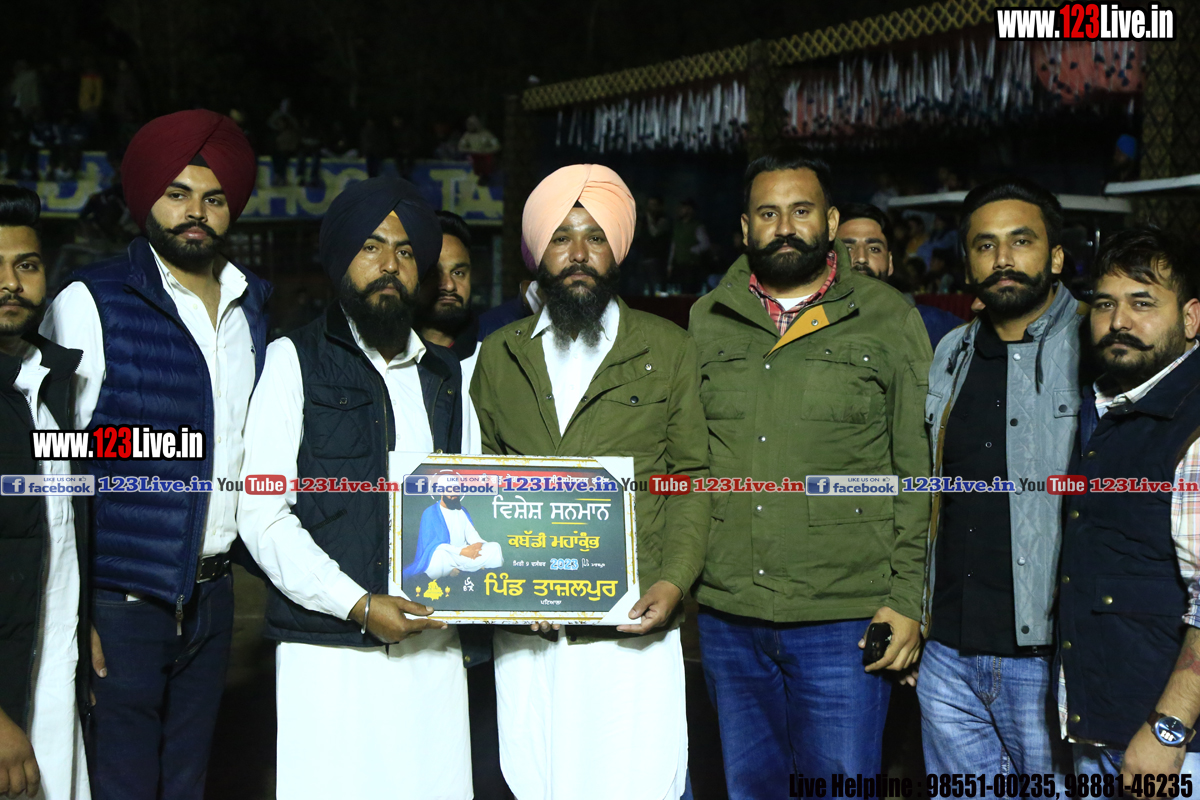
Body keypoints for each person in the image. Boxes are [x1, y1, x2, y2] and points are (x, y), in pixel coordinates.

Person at [688, 150, 932, 797]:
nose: (785, 227)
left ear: (830, 221)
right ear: (745, 228)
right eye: (768, 213)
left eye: (801, 211)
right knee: (750, 789)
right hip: (730, 616)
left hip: (845, 619)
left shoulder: (888, 317)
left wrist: (909, 599)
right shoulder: (706, 319)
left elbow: (919, 471)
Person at [39, 109, 267, 800]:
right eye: (178, 193)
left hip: (215, 596)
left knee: (188, 783)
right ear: (147, 199)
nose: (196, 212)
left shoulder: (252, 306)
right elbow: (53, 459)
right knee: (123, 783)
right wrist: (75, 609)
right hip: (121, 602)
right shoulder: (91, 301)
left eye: (214, 198)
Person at [471, 163, 709, 799]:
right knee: (538, 776)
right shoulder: (500, 354)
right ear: (538, 253)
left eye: (595, 237)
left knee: (637, 775)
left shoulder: (668, 349)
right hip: (530, 626)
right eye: (561, 237)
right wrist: (505, 593)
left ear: (618, 250)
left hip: (631, 621)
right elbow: (480, 479)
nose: (578, 253)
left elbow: (690, 477)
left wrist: (674, 581)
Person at [236, 176, 474, 800]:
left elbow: (472, 501)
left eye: (405, 250)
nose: (389, 264)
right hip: (328, 651)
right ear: (341, 259)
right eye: (371, 247)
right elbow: (262, 514)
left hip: (431, 648)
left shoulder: (447, 377)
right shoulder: (292, 361)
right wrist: (358, 604)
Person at [920, 178, 1081, 781]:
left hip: (1047, 661)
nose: (1003, 259)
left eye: (1021, 241)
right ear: (967, 262)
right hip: (947, 657)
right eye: (985, 245)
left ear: (1056, 257)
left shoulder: (1095, 347)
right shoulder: (952, 351)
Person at [1058, 226, 1200, 784]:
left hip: (1167, 747)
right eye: (1105, 304)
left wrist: (1169, 728)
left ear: (1190, 318)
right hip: (1100, 726)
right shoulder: (1104, 406)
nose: (1119, 321)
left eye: (1143, 303)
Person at [0, 185, 90, 799]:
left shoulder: (53, 382)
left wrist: (81, 618)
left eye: (26, 265)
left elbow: (62, 522)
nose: (10, 283)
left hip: (52, 663)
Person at [837, 202, 963, 348]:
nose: (861, 258)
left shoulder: (927, 325)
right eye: (847, 248)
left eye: (874, 249)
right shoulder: (816, 328)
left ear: (890, 263)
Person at [417, 210, 481, 450]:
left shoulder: (493, 360)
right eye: (435, 273)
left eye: (458, 273)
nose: (449, 285)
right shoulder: (389, 361)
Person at [405, 480, 503, 582]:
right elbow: (433, 544)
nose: (454, 494)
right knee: (438, 555)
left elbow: (471, 533)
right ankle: (455, 570)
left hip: (466, 553)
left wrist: (476, 546)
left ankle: (454, 569)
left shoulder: (462, 511)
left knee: (495, 547)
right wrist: (461, 551)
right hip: (448, 554)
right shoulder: (430, 513)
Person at [668, 198, 712, 293]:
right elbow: (674, 246)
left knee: (689, 292)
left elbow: (705, 244)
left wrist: (692, 250)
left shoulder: (696, 226)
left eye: (683, 208)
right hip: (679, 265)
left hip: (691, 266)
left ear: (690, 210)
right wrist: (670, 264)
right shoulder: (678, 226)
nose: (680, 210)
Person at [634, 194, 672, 294]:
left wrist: (649, 218)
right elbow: (636, 235)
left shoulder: (663, 219)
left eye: (654, 205)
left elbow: (654, 233)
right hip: (642, 257)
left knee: (656, 288)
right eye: (649, 205)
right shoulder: (644, 220)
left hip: (656, 259)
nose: (651, 208)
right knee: (642, 288)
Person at [458, 114, 500, 184]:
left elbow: (497, 146)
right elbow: (460, 147)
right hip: (472, 156)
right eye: (468, 124)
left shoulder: (487, 134)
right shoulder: (467, 135)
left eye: (472, 124)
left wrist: (485, 151)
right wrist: (471, 150)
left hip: (484, 156)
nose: (470, 126)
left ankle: (485, 178)